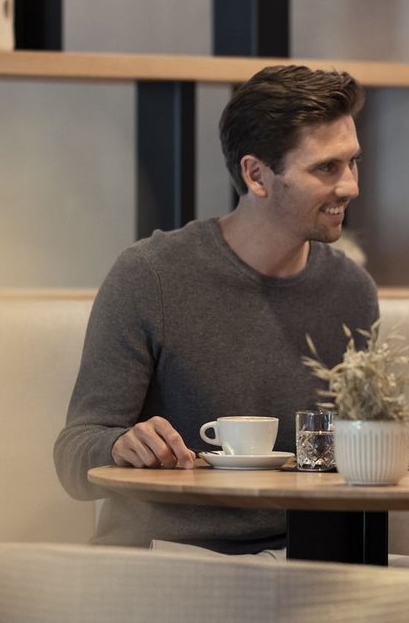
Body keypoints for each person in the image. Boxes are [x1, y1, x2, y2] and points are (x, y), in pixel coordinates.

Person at [53, 64, 379, 555]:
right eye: (326, 168)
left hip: (305, 562)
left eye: (353, 162)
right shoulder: (150, 275)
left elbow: (363, 454)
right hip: (168, 559)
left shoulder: (352, 290)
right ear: (256, 175)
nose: (350, 186)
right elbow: (74, 458)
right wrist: (121, 445)